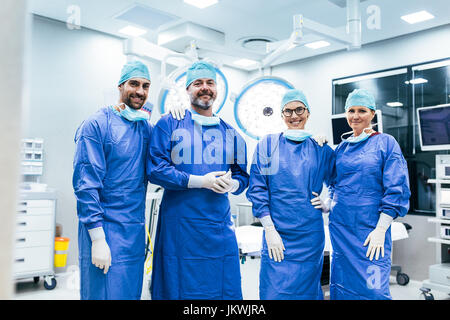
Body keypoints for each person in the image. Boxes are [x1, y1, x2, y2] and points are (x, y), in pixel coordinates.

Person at [72, 60, 182, 300]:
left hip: (132, 231)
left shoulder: (145, 129)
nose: (140, 91)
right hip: (103, 228)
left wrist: (171, 121)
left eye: (146, 86)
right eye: (134, 84)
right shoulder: (96, 125)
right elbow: (86, 185)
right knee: (101, 293)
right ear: (120, 86)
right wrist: (98, 239)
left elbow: (162, 163)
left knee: (129, 293)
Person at [148, 60, 250, 300]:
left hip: (217, 224)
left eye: (210, 82)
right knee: (178, 286)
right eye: (198, 83)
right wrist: (199, 181)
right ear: (187, 90)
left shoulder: (230, 133)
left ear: (217, 89)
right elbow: (156, 169)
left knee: (221, 286)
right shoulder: (169, 124)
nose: (205, 88)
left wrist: (233, 184)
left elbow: (243, 175)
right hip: (179, 227)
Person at [246, 89, 335, 300]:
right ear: (281, 115)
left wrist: (328, 202)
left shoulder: (320, 147)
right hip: (277, 233)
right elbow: (257, 189)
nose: (294, 116)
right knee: (274, 292)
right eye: (288, 111)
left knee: (307, 292)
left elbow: (339, 181)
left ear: (308, 113)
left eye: (299, 109)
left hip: (309, 236)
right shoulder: (267, 145)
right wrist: (269, 228)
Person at [324, 88, 410, 300]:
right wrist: (328, 202)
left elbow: (396, 188)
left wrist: (381, 228)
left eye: (361, 110)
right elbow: (335, 183)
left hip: (371, 231)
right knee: (343, 287)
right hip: (342, 229)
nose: (355, 116)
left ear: (372, 114)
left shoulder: (386, 143)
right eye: (351, 110)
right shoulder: (342, 148)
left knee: (374, 290)